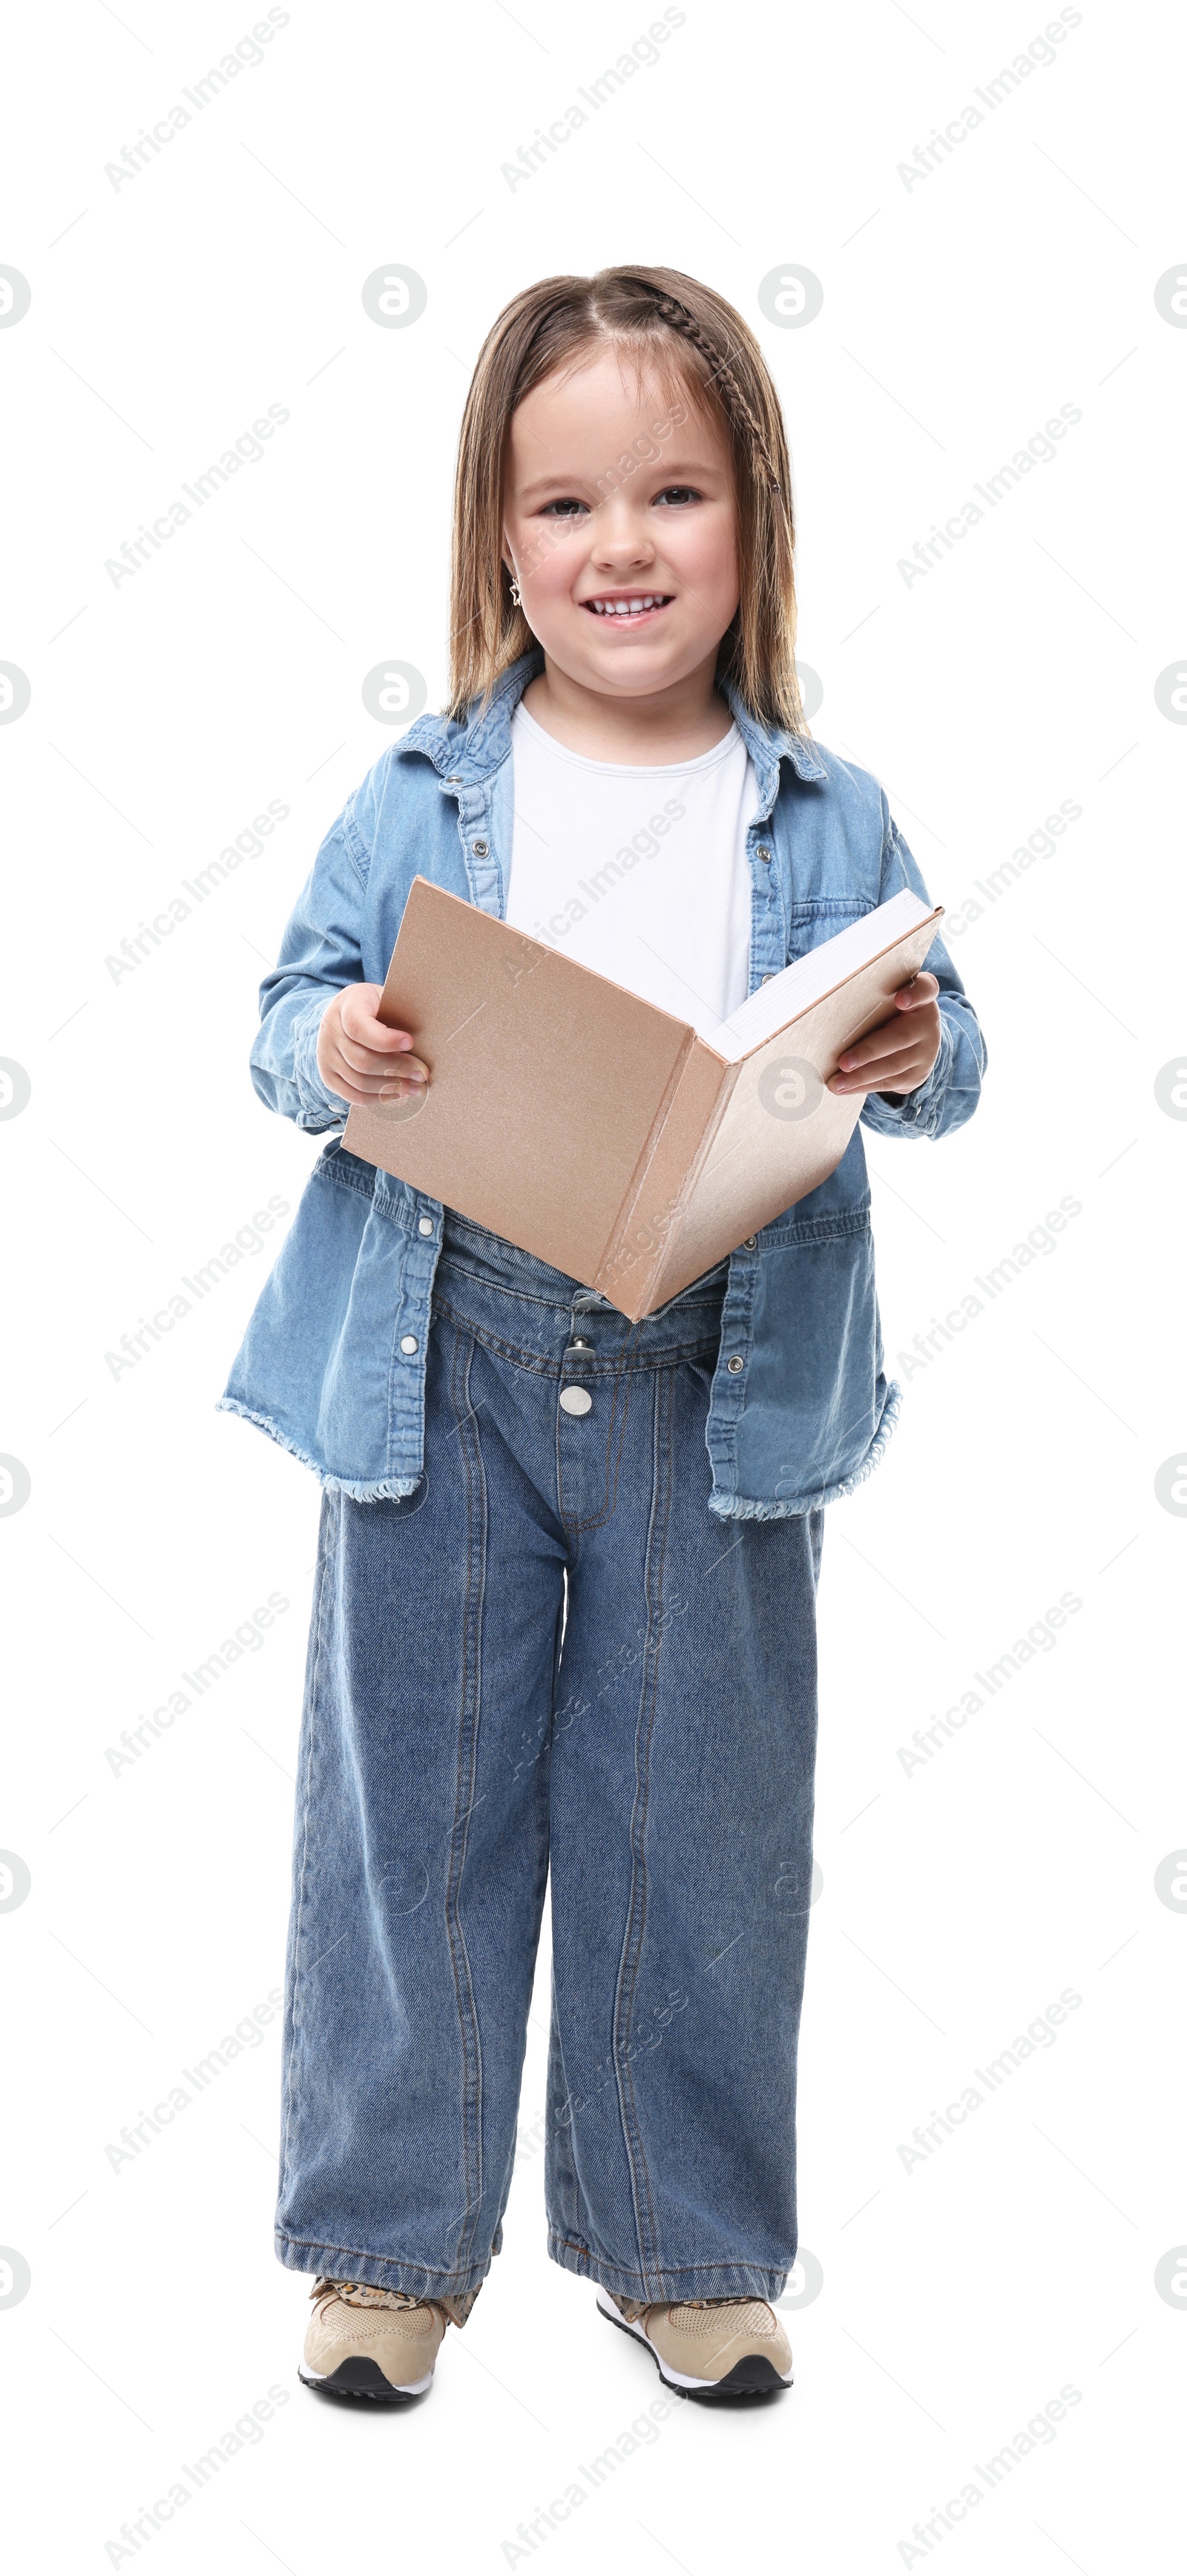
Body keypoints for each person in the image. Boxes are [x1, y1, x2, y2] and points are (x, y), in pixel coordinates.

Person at [221, 265, 985, 2408]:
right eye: (565, 507)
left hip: (714, 1364)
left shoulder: (827, 812)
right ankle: (387, 2243)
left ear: (754, 518)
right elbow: (285, 1014)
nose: (621, 547)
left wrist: (914, 1044)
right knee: (420, 1809)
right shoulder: (418, 794)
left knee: (698, 1815)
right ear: (499, 539)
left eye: (672, 492)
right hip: (440, 1341)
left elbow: (950, 1054)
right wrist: (340, 1043)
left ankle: (683, 2241)